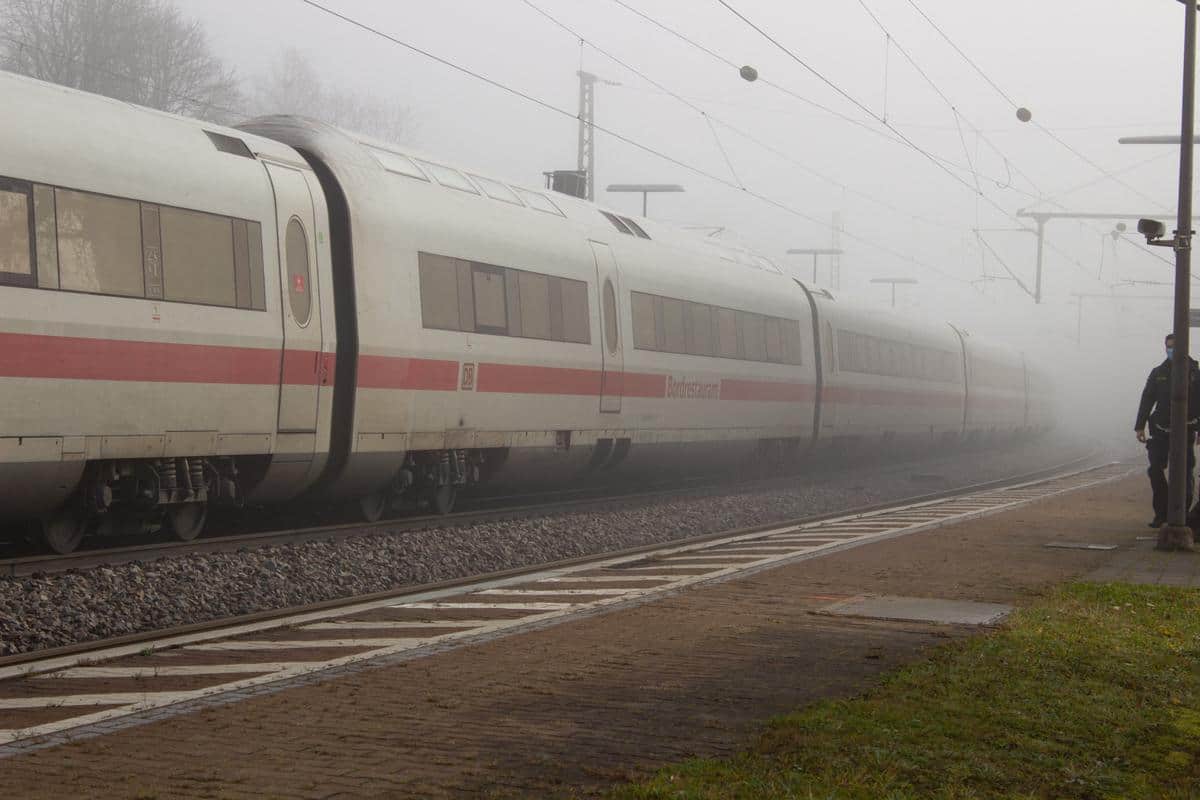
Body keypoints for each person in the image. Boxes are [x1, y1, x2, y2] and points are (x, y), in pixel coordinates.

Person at [1135, 333, 1200, 527]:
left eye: (1174, 346)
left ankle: (1181, 514)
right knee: (1155, 469)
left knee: (1185, 472)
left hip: (1186, 431)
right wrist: (1140, 425)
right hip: (1161, 430)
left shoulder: (1195, 373)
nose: (1170, 350)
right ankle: (1162, 512)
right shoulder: (1158, 372)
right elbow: (1147, 398)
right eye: (1168, 346)